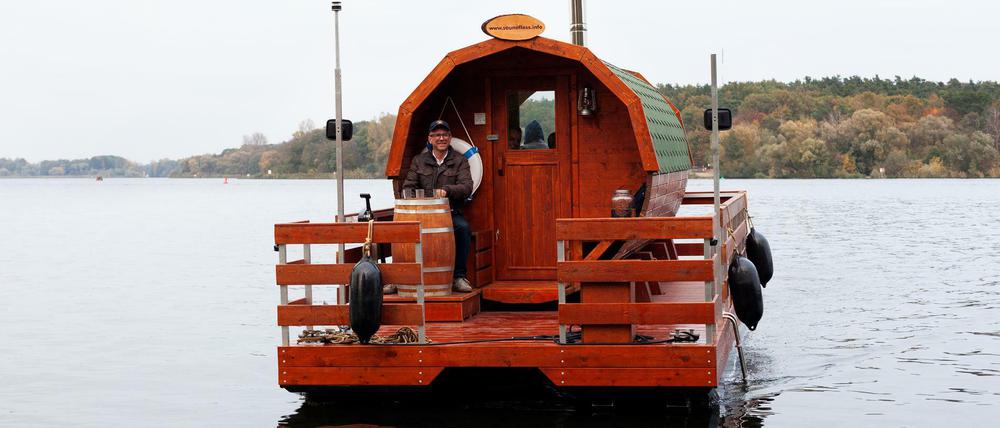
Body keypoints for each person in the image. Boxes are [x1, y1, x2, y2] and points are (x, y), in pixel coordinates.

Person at [400, 120, 474, 293]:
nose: (441, 138)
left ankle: (458, 277)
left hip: (449, 214)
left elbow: (466, 186)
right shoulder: (419, 161)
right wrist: (415, 206)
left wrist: (447, 191)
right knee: (399, 230)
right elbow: (408, 186)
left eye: (445, 135)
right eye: (437, 135)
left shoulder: (460, 160)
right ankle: (402, 277)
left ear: (450, 138)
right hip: (421, 215)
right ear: (430, 139)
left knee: (463, 229)